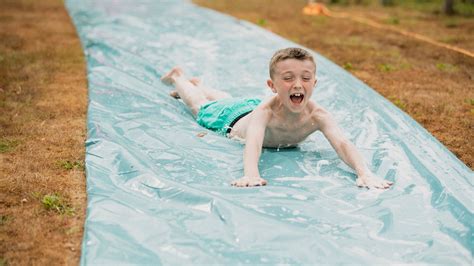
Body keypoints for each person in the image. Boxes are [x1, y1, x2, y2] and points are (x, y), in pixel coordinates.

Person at [161, 47, 393, 189]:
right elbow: (253, 144)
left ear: (315, 83)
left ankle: (200, 85)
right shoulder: (266, 112)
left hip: (247, 106)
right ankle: (178, 78)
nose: (297, 84)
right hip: (231, 119)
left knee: (229, 98)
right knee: (199, 107)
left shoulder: (318, 115)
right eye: (288, 78)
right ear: (272, 86)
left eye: (305, 78)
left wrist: (364, 173)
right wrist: (251, 174)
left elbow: (343, 144)